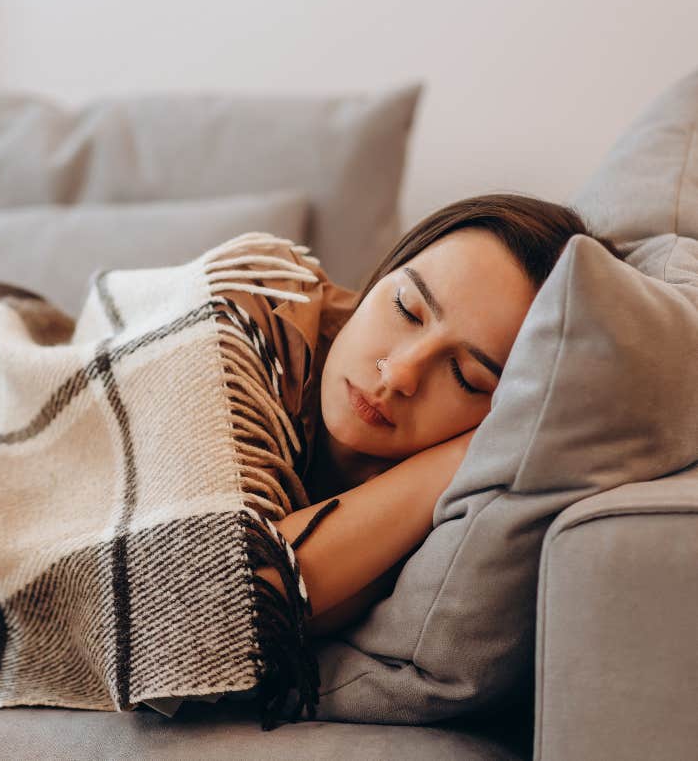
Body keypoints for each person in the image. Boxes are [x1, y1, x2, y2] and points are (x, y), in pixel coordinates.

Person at [257, 192, 626, 638]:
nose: (398, 373)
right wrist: (455, 458)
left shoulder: (449, 530)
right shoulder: (251, 310)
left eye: (466, 377)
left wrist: (466, 456)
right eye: (405, 309)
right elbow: (193, 607)